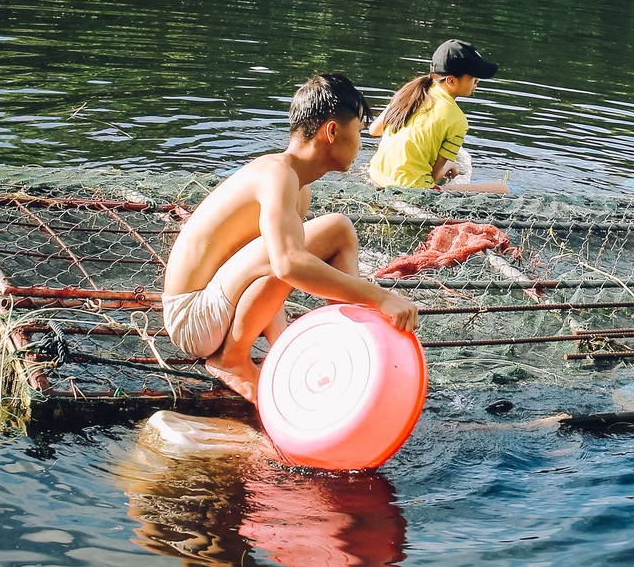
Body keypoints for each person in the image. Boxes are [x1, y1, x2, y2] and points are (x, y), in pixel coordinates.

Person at [160, 73, 420, 402]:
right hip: (192, 319)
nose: (361, 145)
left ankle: (344, 349)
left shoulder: (299, 186)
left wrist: (281, 345)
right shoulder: (278, 174)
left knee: (333, 232)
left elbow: (269, 276)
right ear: (332, 131)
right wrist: (379, 297)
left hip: (217, 310)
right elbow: (285, 264)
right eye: (357, 131)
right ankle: (232, 360)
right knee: (315, 239)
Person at [367, 39, 510, 194]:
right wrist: (448, 165)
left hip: (375, 179)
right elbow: (435, 176)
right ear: (451, 80)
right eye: (473, 77)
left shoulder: (408, 92)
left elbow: (374, 130)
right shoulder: (457, 119)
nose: (477, 81)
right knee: (502, 189)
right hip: (412, 191)